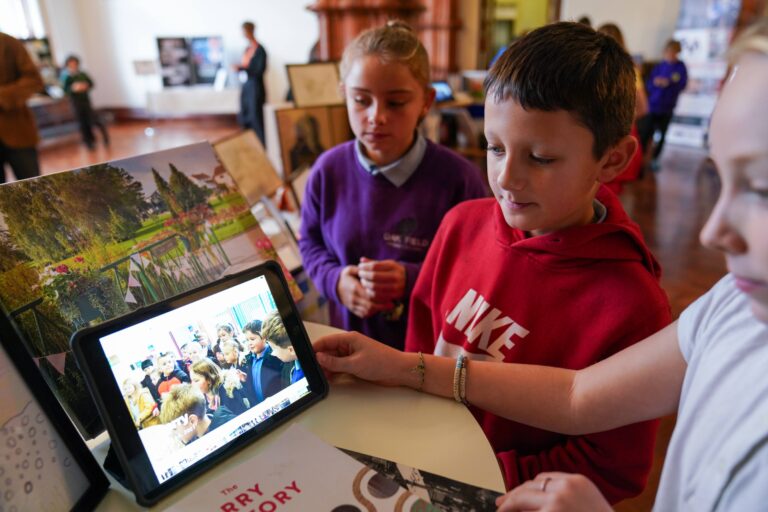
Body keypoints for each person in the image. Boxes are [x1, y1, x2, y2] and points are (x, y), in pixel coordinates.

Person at [316, 19, 768, 510]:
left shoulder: (630, 303)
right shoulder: (463, 224)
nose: (506, 178)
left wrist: (479, 477)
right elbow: (422, 340)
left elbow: (610, 459)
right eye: (494, 147)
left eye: (542, 157)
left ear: (612, 161)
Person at [299, 21, 487, 350]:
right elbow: (311, 242)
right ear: (344, 94)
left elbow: (481, 269)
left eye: (396, 103)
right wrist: (335, 281)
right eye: (361, 100)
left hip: (427, 359)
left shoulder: (459, 180)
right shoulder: (328, 171)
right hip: (348, 347)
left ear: (426, 102)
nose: (376, 116)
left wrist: (413, 278)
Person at [597, 22, 647, 192]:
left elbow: (642, 107)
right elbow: (643, 108)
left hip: (605, 133)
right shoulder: (628, 68)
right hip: (615, 132)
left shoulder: (625, 70)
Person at [0, 32, 43, 184]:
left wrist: (3, 96)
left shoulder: (8, 43)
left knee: (33, 187)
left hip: (17, 130)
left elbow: (34, 80)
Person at [638, 39, 688, 167]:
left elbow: (682, 84)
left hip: (667, 108)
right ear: (665, 52)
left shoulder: (680, 68)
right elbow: (649, 85)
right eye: (669, 52)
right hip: (653, 106)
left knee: (662, 135)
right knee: (645, 133)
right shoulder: (659, 67)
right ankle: (639, 158)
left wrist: (669, 83)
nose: (671, 55)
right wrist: (656, 83)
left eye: (674, 53)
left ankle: (654, 159)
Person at [159, 383, 236, 445]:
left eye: (175, 428)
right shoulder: (194, 442)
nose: (173, 434)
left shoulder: (231, 432)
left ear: (192, 421)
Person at [60, 55, 109, 150]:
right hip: (75, 102)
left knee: (92, 119)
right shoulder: (66, 76)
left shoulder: (82, 74)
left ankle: (101, 138)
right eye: (71, 63)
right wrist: (73, 89)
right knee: (82, 122)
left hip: (85, 100)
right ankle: (88, 142)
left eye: (74, 63)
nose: (73, 65)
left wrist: (85, 86)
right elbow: (65, 90)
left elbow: (91, 83)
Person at [237, 21, 267, 145]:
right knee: (245, 114)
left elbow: (260, 69)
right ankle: (249, 143)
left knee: (256, 116)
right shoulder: (248, 48)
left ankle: (261, 144)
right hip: (247, 85)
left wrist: (243, 68)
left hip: (255, 86)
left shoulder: (260, 50)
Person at [243, 319, 286, 402]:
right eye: (247, 340)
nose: (249, 343)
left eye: (252, 339)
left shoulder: (274, 356)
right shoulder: (250, 360)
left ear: (263, 337)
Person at [261, 311, 303, 385]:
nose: (273, 354)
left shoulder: (301, 379)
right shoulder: (295, 366)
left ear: (291, 350)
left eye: (274, 349)